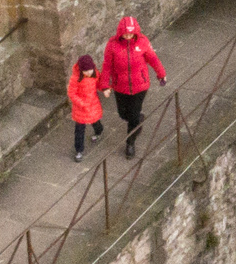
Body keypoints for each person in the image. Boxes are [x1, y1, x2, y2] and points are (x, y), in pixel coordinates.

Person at [99, 16, 167, 158]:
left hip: (139, 87)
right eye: (126, 34)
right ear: (120, 33)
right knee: (123, 114)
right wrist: (104, 85)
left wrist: (161, 74)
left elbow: (153, 58)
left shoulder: (142, 42)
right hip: (120, 87)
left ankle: (130, 143)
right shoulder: (112, 45)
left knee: (133, 117)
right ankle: (137, 119)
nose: (128, 36)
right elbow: (107, 66)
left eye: (131, 33)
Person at [67, 53, 104, 160]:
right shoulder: (75, 78)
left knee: (95, 121)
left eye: (90, 70)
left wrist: (105, 88)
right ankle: (79, 150)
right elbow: (72, 93)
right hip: (81, 109)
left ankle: (99, 132)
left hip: (93, 105)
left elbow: (99, 84)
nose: (88, 72)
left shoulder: (95, 73)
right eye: (85, 70)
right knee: (79, 131)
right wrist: (82, 104)